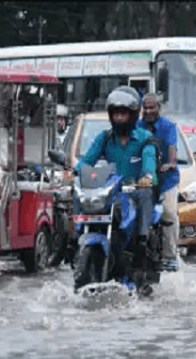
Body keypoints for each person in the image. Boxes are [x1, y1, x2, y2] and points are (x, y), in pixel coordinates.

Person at [76, 86, 157, 264]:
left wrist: (148, 177)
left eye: (123, 114)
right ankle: (73, 240)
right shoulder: (104, 138)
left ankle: (142, 244)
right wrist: (75, 171)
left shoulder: (145, 138)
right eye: (116, 114)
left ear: (133, 115)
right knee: (80, 196)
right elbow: (87, 160)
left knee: (145, 195)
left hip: (134, 191)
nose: (119, 118)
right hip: (111, 193)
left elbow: (149, 159)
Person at [138, 92, 180, 272]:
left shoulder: (168, 127)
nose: (148, 111)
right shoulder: (136, 126)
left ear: (158, 108)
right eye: (145, 108)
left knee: (169, 213)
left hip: (165, 180)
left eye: (151, 107)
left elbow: (172, 147)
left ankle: (170, 256)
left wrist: (170, 164)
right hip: (142, 180)